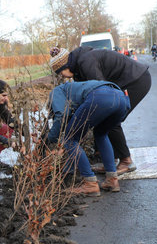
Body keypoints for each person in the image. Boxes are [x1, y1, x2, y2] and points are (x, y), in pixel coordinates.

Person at [49, 46, 151, 176]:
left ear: (65, 65)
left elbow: (102, 91)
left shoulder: (86, 62)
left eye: (60, 72)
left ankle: (126, 161)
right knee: (104, 119)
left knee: (110, 118)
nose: (61, 76)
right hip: (129, 81)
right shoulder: (79, 68)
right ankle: (110, 161)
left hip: (137, 80)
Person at [44, 80, 131, 195]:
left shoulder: (55, 92)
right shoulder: (73, 89)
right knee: (101, 134)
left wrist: (50, 138)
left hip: (101, 98)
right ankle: (112, 179)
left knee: (69, 139)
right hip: (121, 99)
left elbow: (62, 115)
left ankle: (90, 183)